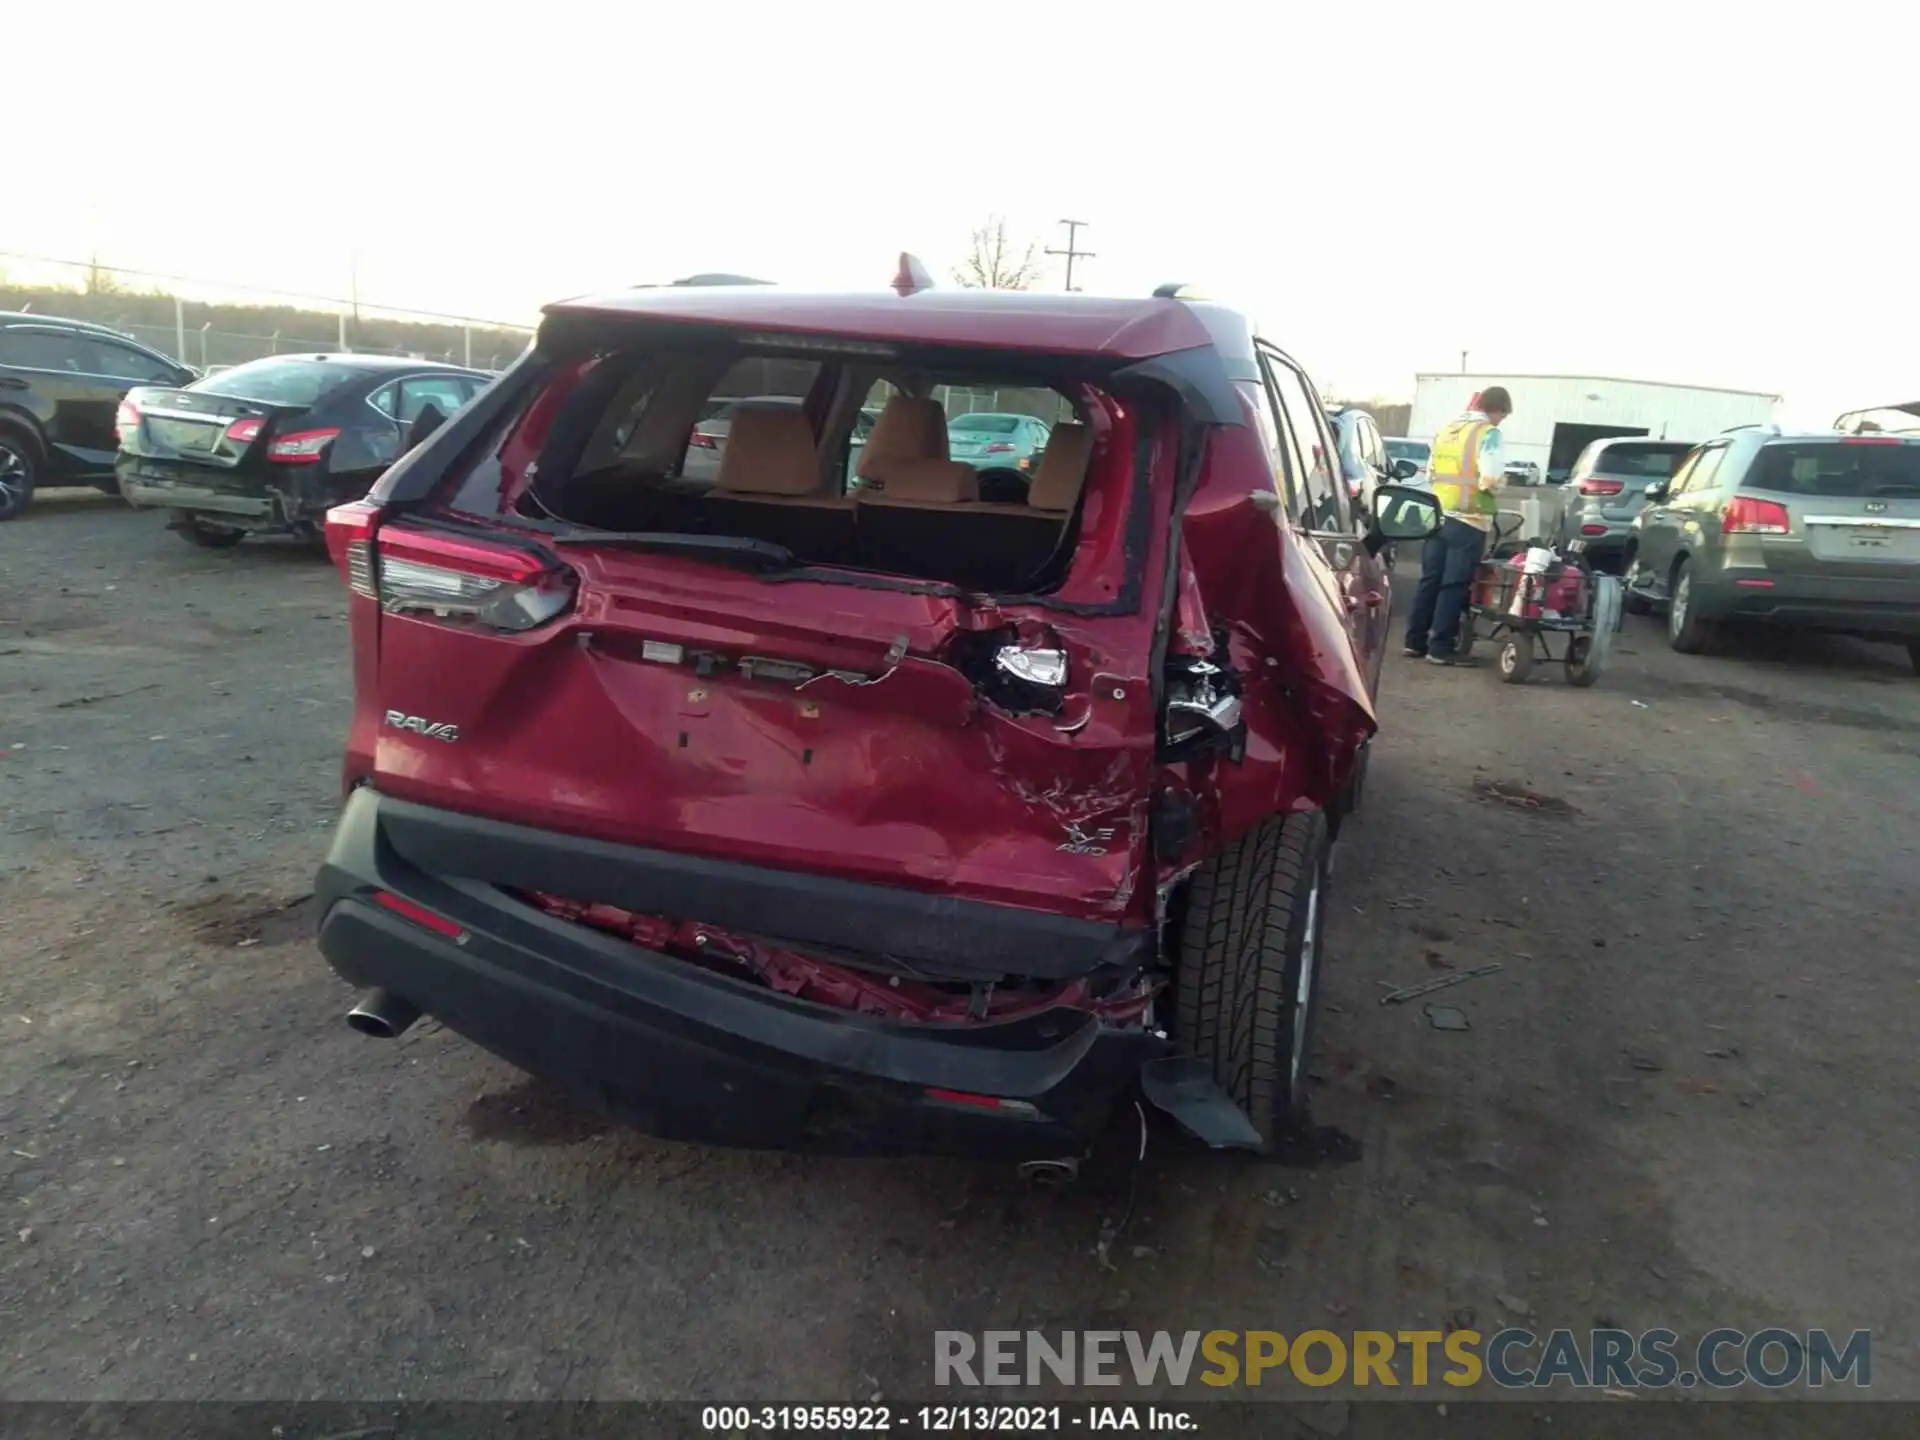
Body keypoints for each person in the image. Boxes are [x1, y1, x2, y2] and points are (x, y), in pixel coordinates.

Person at [1403, 386, 1512, 665]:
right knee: (1454, 584)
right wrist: (1500, 485)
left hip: (1438, 514)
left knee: (1430, 579)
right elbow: (1491, 478)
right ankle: (1440, 648)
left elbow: (1431, 471)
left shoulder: (1447, 430)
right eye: (1503, 415)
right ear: (1497, 409)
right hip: (1469, 518)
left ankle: (1414, 642)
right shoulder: (1488, 434)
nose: (1501, 421)